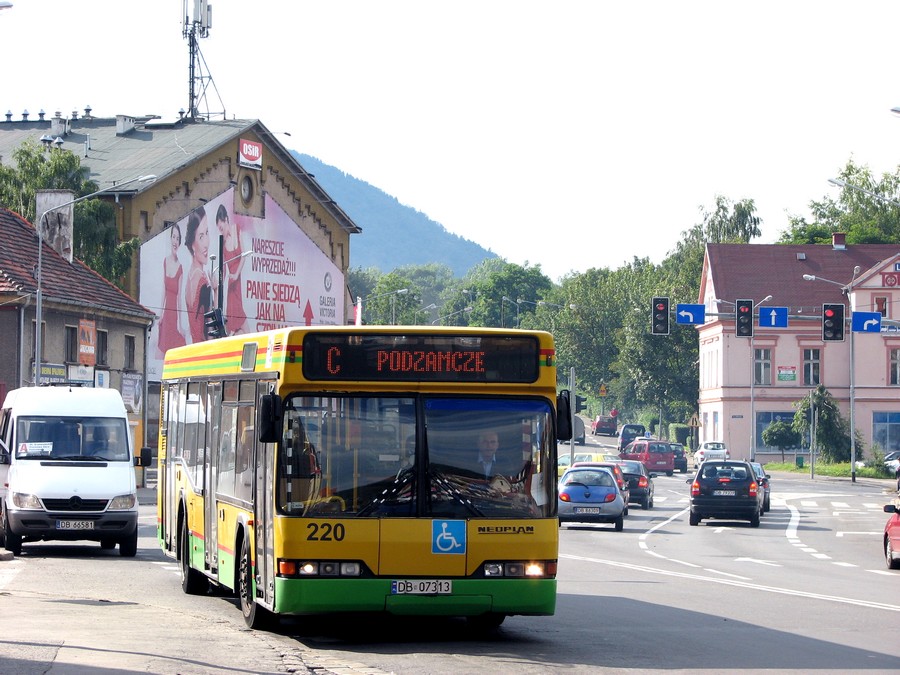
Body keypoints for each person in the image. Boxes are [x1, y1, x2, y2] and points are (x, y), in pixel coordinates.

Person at [215, 205, 249, 334]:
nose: (221, 232)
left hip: (237, 284)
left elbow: (244, 256)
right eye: (219, 229)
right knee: (243, 329)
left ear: (226, 220)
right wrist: (216, 287)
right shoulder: (222, 245)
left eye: (221, 228)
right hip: (231, 289)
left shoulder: (237, 229)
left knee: (240, 331)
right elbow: (222, 272)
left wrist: (236, 274)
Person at [184, 206, 214, 343]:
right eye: (201, 236)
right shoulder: (202, 281)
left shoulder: (189, 277)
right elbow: (211, 329)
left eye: (207, 233)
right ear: (192, 244)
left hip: (194, 351)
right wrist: (216, 289)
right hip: (205, 353)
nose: (207, 242)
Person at [157, 223, 187, 355]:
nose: (175, 241)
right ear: (170, 239)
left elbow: (179, 297)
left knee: (175, 352)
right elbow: (164, 289)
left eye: (178, 238)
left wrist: (180, 324)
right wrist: (161, 314)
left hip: (174, 316)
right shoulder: (165, 261)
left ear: (180, 242)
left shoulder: (180, 268)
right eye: (173, 237)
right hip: (166, 315)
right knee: (160, 353)